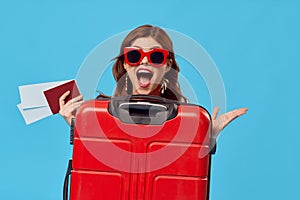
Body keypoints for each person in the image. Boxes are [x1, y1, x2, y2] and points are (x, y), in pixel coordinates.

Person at [59, 24, 248, 139]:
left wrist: (206, 137)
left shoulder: (184, 120)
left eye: (156, 56)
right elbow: (95, 172)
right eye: (134, 55)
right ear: (125, 64)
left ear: (167, 66)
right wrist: (78, 128)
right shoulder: (99, 114)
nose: (144, 61)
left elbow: (181, 176)